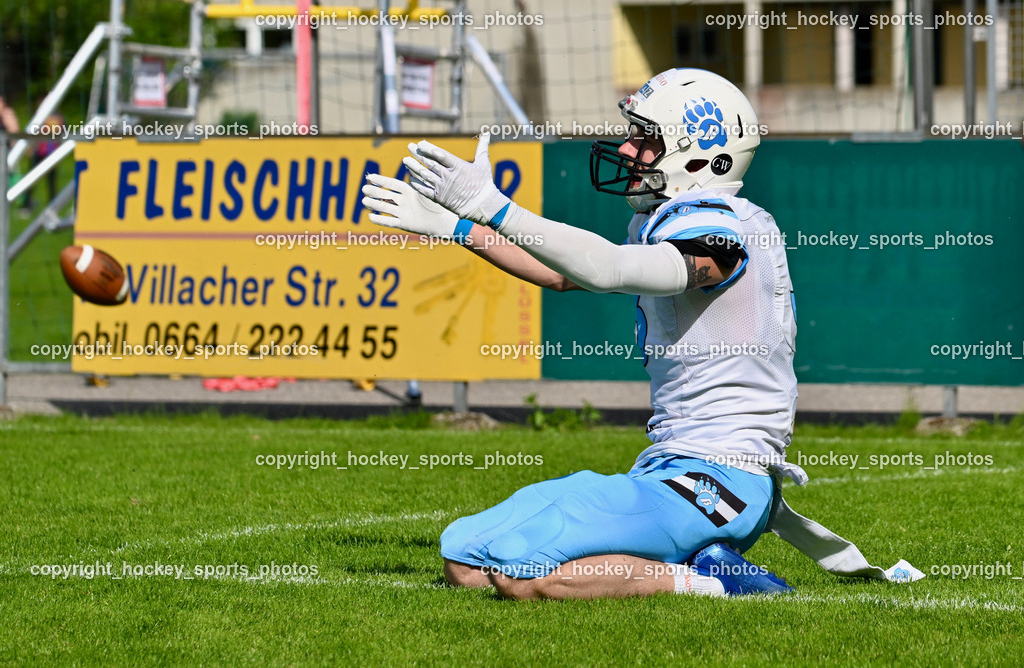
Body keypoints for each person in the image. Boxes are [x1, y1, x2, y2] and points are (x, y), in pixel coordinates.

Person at [362, 68, 917, 599]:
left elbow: (605, 269)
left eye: (646, 139)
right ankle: (693, 561)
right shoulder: (670, 218)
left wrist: (491, 206)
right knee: (466, 558)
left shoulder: (722, 232)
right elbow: (564, 273)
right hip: (672, 467)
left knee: (523, 571)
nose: (628, 149)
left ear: (704, 155)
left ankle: (715, 583)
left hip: (720, 481)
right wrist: (454, 226)